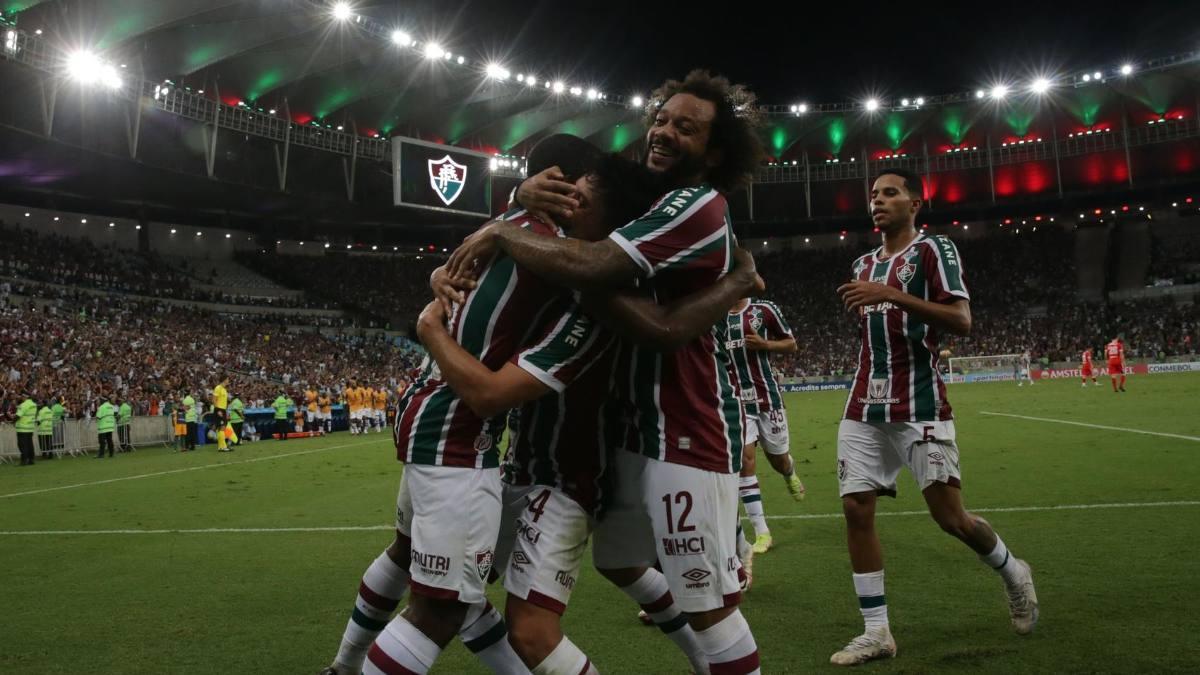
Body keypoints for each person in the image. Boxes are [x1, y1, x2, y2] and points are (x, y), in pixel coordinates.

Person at [445, 70, 766, 674]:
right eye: (661, 119)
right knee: (619, 560)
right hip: (635, 429)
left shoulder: (697, 204)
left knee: (710, 605)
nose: (664, 131)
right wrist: (519, 201)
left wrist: (502, 234)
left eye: (686, 127)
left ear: (715, 152)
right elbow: (587, 204)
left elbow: (606, 272)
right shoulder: (651, 199)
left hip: (687, 426)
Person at [830, 168, 1038, 666]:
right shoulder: (861, 263)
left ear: (915, 203)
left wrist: (893, 295)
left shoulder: (934, 251)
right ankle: (877, 631)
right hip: (863, 404)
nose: (878, 202)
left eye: (890, 193)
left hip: (920, 402)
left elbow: (962, 321)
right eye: (874, 195)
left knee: (951, 519)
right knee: (856, 509)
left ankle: (1013, 572)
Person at [718, 297, 805, 555]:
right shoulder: (716, 317)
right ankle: (762, 531)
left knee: (778, 460)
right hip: (736, 401)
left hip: (768, 398)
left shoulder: (764, 310)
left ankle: (789, 472)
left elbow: (792, 344)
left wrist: (765, 344)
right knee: (745, 461)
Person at [15, 390, 37, 466]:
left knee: (22, 445)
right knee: (30, 444)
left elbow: (18, 415)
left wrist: (13, 422)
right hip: (30, 427)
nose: (21, 397)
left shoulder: (23, 405)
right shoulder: (33, 405)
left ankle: (24, 460)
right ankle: (31, 459)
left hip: (22, 428)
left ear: (25, 397)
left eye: (22, 396)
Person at [96, 394, 116, 458]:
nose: (97, 402)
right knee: (109, 440)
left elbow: (98, 417)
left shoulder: (102, 407)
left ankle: (101, 454)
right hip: (110, 426)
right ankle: (111, 453)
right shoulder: (111, 406)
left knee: (102, 442)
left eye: (98, 401)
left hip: (103, 427)